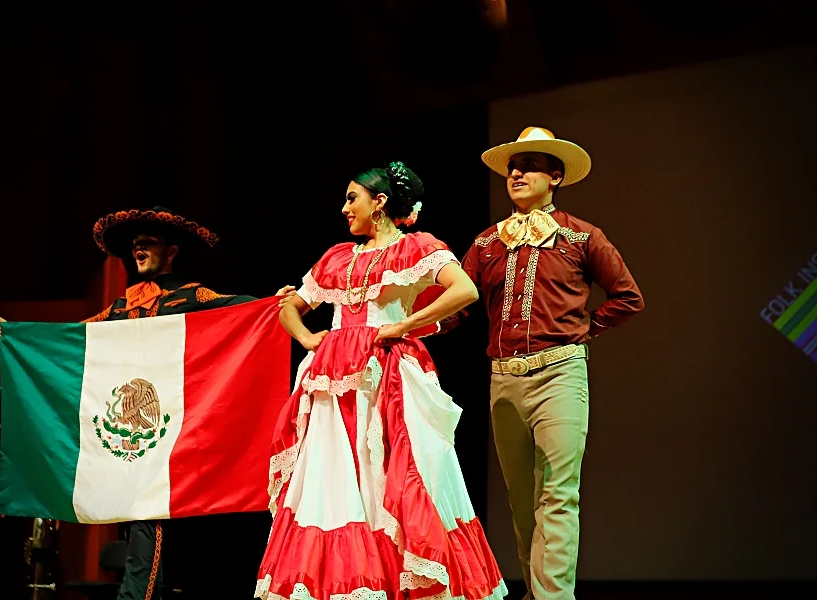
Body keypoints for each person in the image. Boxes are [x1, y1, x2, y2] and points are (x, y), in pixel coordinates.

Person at [0, 205, 296, 600]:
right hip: (128, 436)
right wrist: (16, 337)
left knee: (148, 522)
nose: (138, 250)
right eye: (134, 245)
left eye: (146, 243)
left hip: (174, 435)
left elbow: (238, 307)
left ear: (171, 251)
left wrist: (275, 301)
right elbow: (69, 338)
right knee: (137, 521)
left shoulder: (190, 296)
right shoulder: (119, 309)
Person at [255, 162, 508, 600]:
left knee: (395, 473)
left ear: (380, 202)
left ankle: (401, 577)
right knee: (335, 479)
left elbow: (463, 290)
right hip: (331, 382)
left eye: (352, 198)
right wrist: (309, 338)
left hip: (386, 371)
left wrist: (404, 324)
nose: (344, 208)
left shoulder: (415, 247)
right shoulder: (336, 257)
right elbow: (290, 307)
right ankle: (351, 581)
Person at [460, 127, 644, 600]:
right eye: (511, 168)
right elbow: (456, 304)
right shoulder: (485, 244)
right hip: (504, 379)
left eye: (529, 166)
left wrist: (585, 330)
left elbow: (628, 297)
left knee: (558, 496)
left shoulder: (582, 236)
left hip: (560, 373)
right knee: (523, 504)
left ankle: (554, 598)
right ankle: (538, 592)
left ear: (555, 176)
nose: (516, 173)